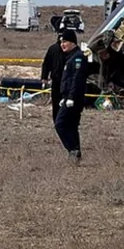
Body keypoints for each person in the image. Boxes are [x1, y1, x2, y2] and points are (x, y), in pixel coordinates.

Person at [54, 30, 89, 165]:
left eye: (65, 42)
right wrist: (64, 96)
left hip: (73, 99)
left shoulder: (78, 58)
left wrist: (71, 97)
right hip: (68, 97)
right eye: (61, 42)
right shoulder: (70, 57)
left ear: (72, 42)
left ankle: (72, 149)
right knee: (71, 126)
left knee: (60, 124)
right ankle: (76, 153)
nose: (63, 45)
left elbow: (77, 80)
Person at [41, 32, 66, 122]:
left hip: (66, 81)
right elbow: (46, 64)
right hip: (56, 80)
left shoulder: (69, 50)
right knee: (56, 102)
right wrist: (44, 77)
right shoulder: (53, 49)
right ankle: (57, 120)